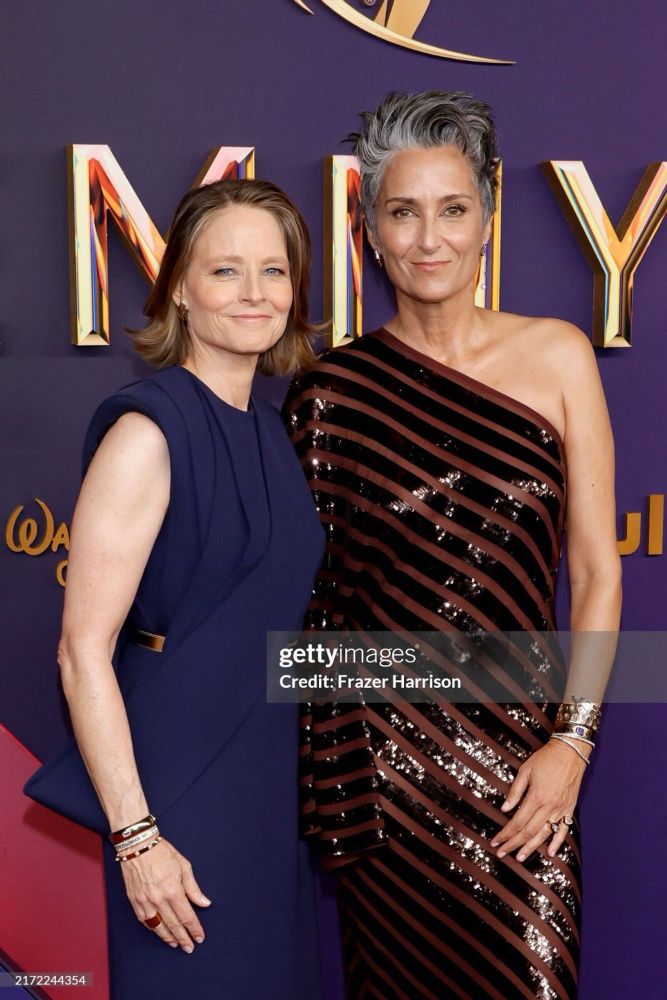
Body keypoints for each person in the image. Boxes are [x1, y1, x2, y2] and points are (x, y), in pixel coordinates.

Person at [283, 91, 621, 1000]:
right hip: (384, 775)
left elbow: (595, 571)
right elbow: (307, 602)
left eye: (452, 209)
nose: (429, 238)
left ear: (486, 219)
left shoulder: (558, 356)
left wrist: (572, 745)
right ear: (370, 232)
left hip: (527, 771)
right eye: (403, 212)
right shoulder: (329, 392)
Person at [24, 179, 325, 999]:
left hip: (269, 785)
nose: (255, 292)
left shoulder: (273, 429)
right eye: (225, 270)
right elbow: (82, 652)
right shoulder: (146, 430)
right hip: (177, 790)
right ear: (181, 291)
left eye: (273, 270)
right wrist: (136, 837)